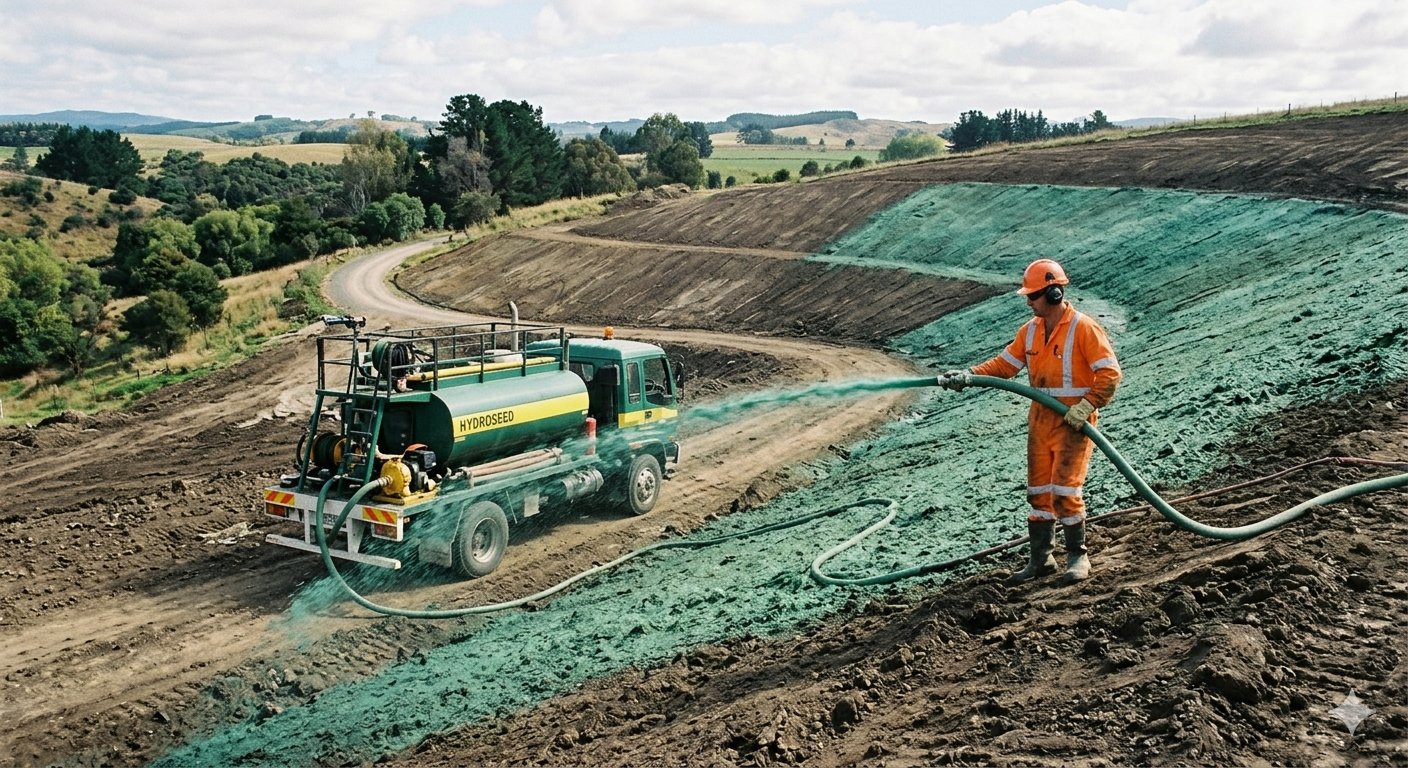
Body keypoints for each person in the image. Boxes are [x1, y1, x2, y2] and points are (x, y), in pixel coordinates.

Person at [939, 259, 1120, 586]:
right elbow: (1004, 366)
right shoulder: (1031, 331)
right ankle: (1041, 559)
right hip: (1041, 419)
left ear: (1053, 293)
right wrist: (967, 376)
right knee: (1039, 494)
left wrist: (1087, 405)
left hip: (1073, 422)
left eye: (1033, 295)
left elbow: (1109, 374)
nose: (1027, 301)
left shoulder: (1084, 328)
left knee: (1065, 491)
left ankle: (1078, 556)